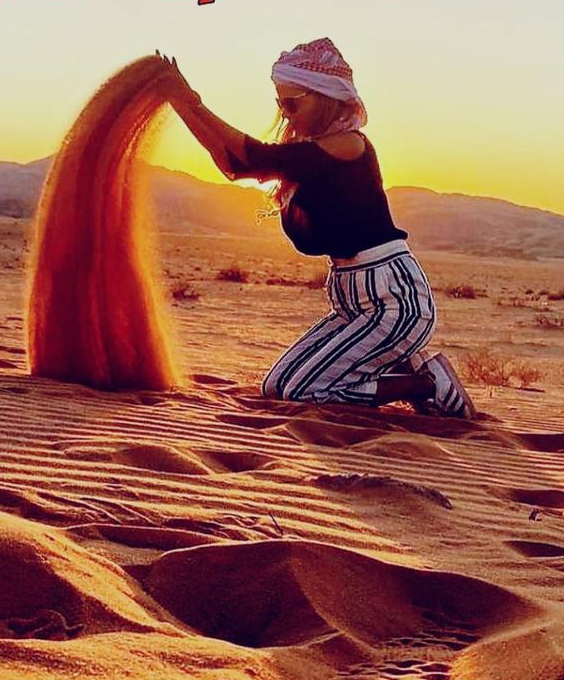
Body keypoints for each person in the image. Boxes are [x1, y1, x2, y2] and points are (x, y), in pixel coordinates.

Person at [155, 38, 475, 418]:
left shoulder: (347, 145)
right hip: (356, 301)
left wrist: (193, 102)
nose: (286, 114)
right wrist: (182, 105)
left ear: (324, 97)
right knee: (278, 386)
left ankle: (425, 383)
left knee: (301, 389)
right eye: (280, 104)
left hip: (392, 302)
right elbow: (236, 166)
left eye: (292, 103)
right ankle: (398, 368)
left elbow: (252, 156)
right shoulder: (314, 150)